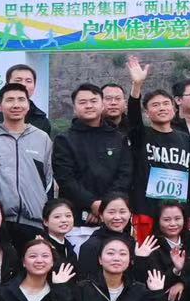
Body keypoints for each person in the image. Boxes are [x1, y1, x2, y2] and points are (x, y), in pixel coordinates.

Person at [0, 82, 57, 250]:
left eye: (21, 100)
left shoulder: (42, 138)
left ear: (28, 105)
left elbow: (49, 182)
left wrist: (48, 217)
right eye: (10, 100)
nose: (16, 105)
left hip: (34, 222)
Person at [125, 58, 190, 242]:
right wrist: (137, 85)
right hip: (146, 210)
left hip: (176, 213)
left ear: (174, 109)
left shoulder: (184, 139)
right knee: (145, 254)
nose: (161, 108)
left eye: (165, 103)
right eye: (155, 105)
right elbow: (133, 117)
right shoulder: (141, 135)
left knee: (176, 254)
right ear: (147, 113)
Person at [54, 83, 132, 232]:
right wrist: (92, 204)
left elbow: (124, 175)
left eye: (93, 101)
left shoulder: (118, 138)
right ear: (74, 108)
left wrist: (105, 206)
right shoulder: (64, 140)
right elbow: (66, 179)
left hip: (114, 218)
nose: (89, 106)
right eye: (82, 102)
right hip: (76, 221)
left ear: (102, 105)